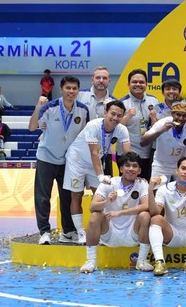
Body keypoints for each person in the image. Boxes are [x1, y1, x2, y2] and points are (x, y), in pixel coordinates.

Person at [28, 76, 90, 245]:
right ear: (62, 90)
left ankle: (68, 231)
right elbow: (32, 127)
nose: (71, 91)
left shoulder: (83, 110)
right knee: (42, 197)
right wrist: (37, 108)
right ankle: (44, 232)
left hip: (68, 161)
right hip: (46, 157)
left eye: (74, 88)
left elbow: (85, 135)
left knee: (68, 197)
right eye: (68, 88)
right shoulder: (49, 107)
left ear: (78, 91)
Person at [63, 100, 131, 245]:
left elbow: (127, 154)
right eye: (112, 114)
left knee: (100, 197)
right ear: (105, 112)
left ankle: (102, 231)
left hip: (95, 163)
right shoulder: (93, 125)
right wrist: (100, 175)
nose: (115, 118)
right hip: (77, 160)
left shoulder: (121, 129)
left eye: (119, 115)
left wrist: (131, 173)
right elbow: (94, 152)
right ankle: (81, 232)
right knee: (76, 195)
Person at [79, 152, 153, 273]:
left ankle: (142, 260)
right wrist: (108, 202)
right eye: (127, 165)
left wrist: (121, 213)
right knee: (95, 215)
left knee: (145, 215)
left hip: (132, 233)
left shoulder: (142, 184)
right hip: (109, 232)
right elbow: (92, 207)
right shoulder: (109, 184)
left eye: (135, 166)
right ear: (121, 169)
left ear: (139, 171)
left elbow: (147, 205)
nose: (131, 169)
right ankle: (91, 261)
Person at [149, 156, 186, 276]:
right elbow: (155, 212)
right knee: (156, 219)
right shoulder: (164, 189)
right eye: (183, 168)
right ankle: (160, 262)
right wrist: (150, 189)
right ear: (177, 170)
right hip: (172, 233)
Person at [142, 100, 186, 188]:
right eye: (178, 115)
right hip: (161, 164)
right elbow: (143, 142)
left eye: (184, 115)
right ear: (172, 114)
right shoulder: (162, 123)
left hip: (181, 166)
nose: (181, 118)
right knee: (155, 192)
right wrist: (161, 130)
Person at [119, 69, 160, 180]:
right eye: (134, 82)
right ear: (128, 84)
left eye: (141, 82)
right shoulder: (122, 103)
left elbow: (157, 129)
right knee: (128, 188)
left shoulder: (154, 101)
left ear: (146, 84)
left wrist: (153, 119)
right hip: (129, 155)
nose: (138, 84)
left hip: (149, 154)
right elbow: (116, 129)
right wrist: (127, 116)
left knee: (146, 187)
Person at [77, 66, 117, 175]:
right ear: (92, 79)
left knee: (105, 188)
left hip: (104, 152)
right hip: (81, 150)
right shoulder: (79, 95)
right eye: (98, 77)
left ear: (109, 81)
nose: (101, 81)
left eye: (104, 78)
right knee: (76, 190)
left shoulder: (114, 103)